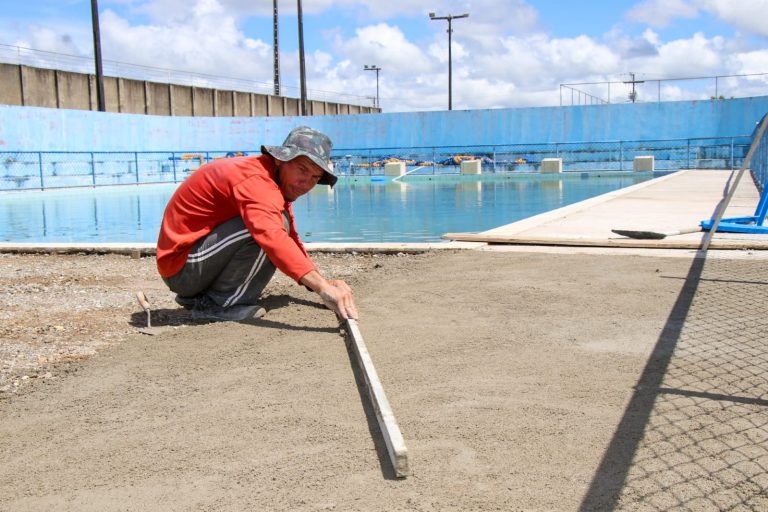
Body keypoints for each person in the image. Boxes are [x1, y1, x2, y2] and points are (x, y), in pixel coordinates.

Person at [156, 126, 358, 322]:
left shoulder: (269, 178)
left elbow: (289, 237)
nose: (306, 183)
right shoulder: (256, 181)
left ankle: (199, 295)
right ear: (280, 160)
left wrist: (322, 282)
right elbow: (273, 236)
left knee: (277, 225)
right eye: (302, 170)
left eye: (315, 177)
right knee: (263, 230)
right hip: (180, 267)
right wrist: (322, 289)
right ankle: (220, 306)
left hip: (191, 265)